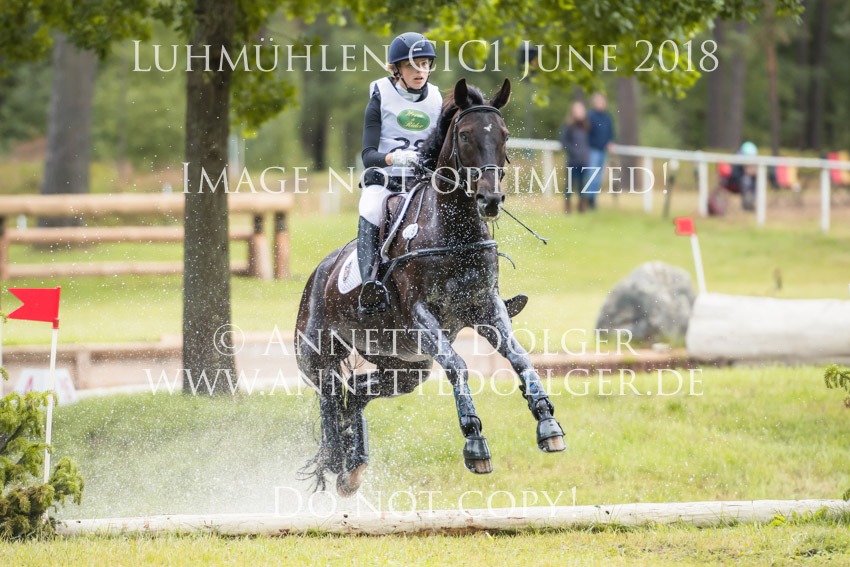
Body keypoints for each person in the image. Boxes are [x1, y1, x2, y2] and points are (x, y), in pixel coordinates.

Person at [358, 32, 442, 315]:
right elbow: (367, 155)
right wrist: (393, 157)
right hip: (386, 183)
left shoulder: (437, 99)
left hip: (422, 184)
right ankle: (370, 286)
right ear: (396, 69)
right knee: (370, 209)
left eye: (425, 64)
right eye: (412, 65)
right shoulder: (380, 96)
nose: (420, 71)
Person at [559, 101, 591, 213]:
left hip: (584, 160)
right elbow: (564, 142)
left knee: (583, 184)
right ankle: (567, 206)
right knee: (570, 184)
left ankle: (581, 206)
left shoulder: (587, 126)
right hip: (572, 160)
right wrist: (574, 151)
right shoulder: (568, 126)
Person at [586, 92, 615, 209]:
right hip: (592, 150)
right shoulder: (590, 116)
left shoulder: (607, 117)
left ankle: (593, 199)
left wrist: (610, 142)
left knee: (598, 177)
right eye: (598, 101)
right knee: (591, 175)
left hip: (603, 151)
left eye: (602, 101)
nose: (600, 104)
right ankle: (588, 199)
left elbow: (610, 133)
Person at [730, 141, 758, 211]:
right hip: (735, 180)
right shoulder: (738, 160)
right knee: (746, 181)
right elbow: (746, 171)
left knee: (755, 181)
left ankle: (753, 203)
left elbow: (752, 170)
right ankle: (747, 205)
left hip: (748, 181)